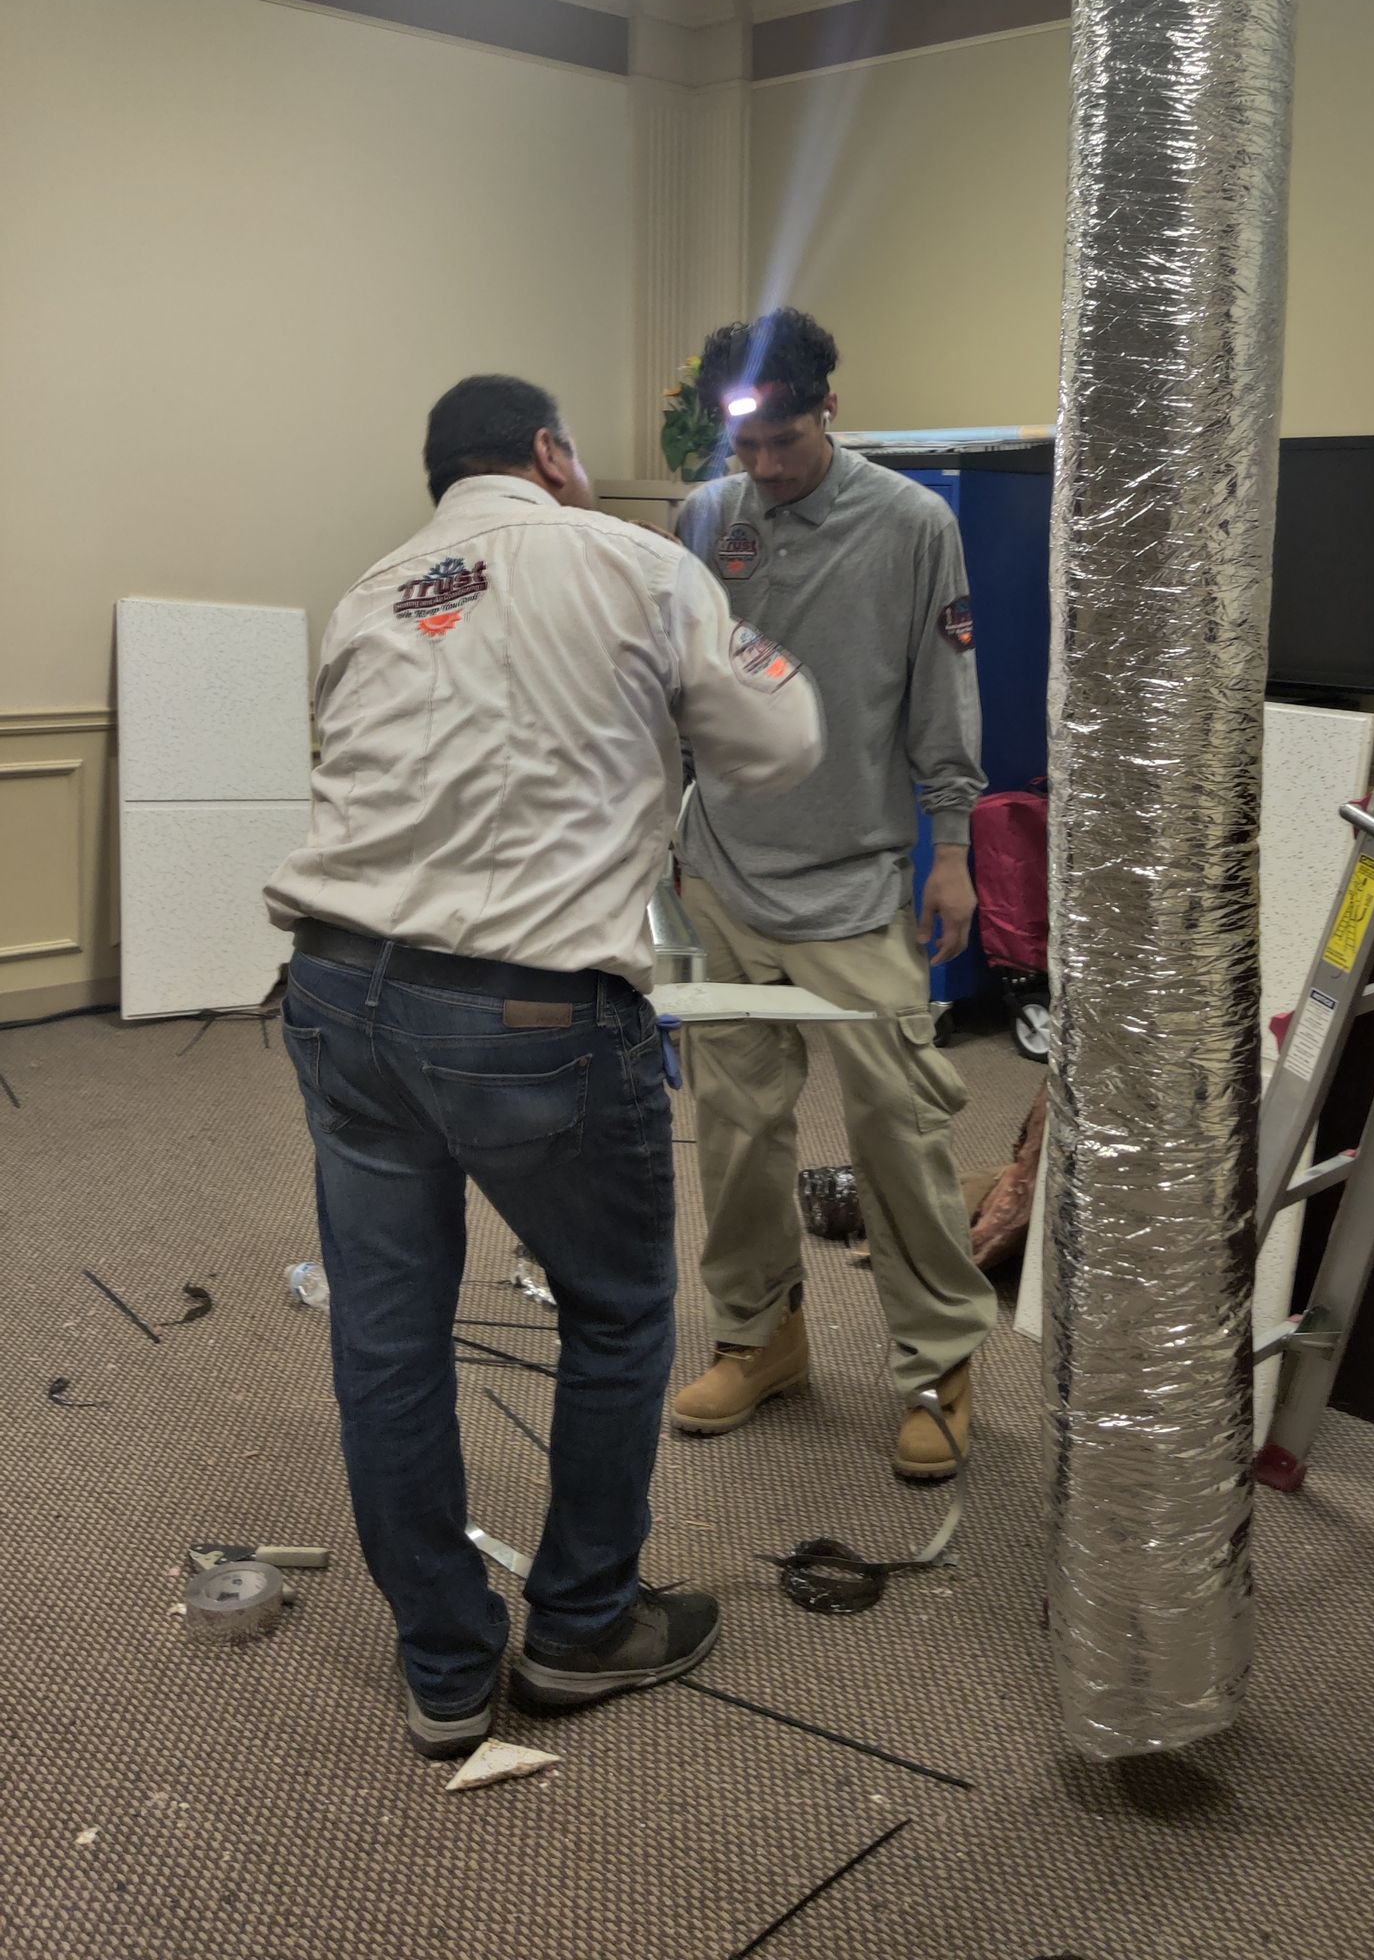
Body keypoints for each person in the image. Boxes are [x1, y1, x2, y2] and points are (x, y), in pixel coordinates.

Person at [264, 374, 821, 1760]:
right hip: (526, 1009)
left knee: (386, 1333)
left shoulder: (373, 590)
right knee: (617, 1312)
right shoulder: (637, 561)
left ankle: (446, 1669)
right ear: (552, 453)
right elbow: (780, 743)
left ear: (439, 478)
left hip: (334, 988)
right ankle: (581, 1626)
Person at [669, 310, 998, 1481]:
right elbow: (675, 686)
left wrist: (953, 848)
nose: (763, 467)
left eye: (785, 441)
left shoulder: (913, 524)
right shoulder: (706, 518)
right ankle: (760, 1335)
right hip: (720, 874)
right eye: (746, 446)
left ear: (830, 410)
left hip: (854, 881)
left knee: (899, 1125)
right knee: (736, 1130)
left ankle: (938, 1364)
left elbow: (944, 694)